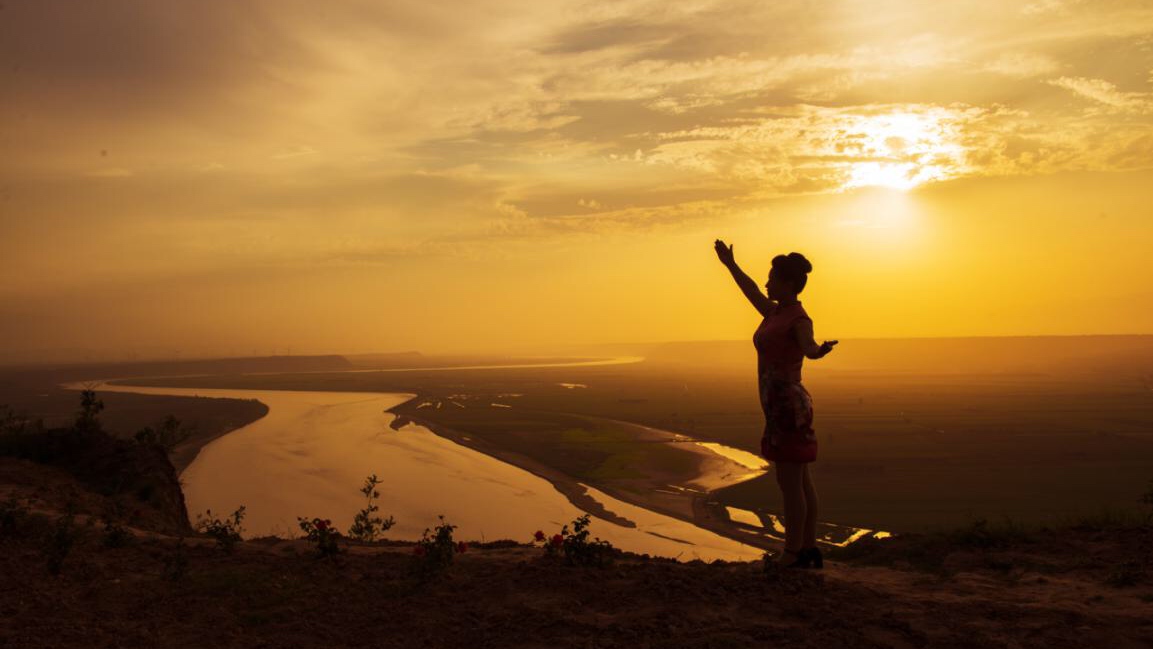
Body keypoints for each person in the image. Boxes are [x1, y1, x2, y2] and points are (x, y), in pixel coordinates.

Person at [714, 240, 837, 568]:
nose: (767, 283)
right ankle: (808, 549)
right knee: (800, 480)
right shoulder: (775, 312)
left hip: (788, 406)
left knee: (789, 483)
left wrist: (818, 351)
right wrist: (730, 264)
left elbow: (809, 347)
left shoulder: (798, 319)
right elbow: (750, 288)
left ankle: (792, 553)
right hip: (778, 405)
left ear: (789, 284)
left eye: (773, 279)